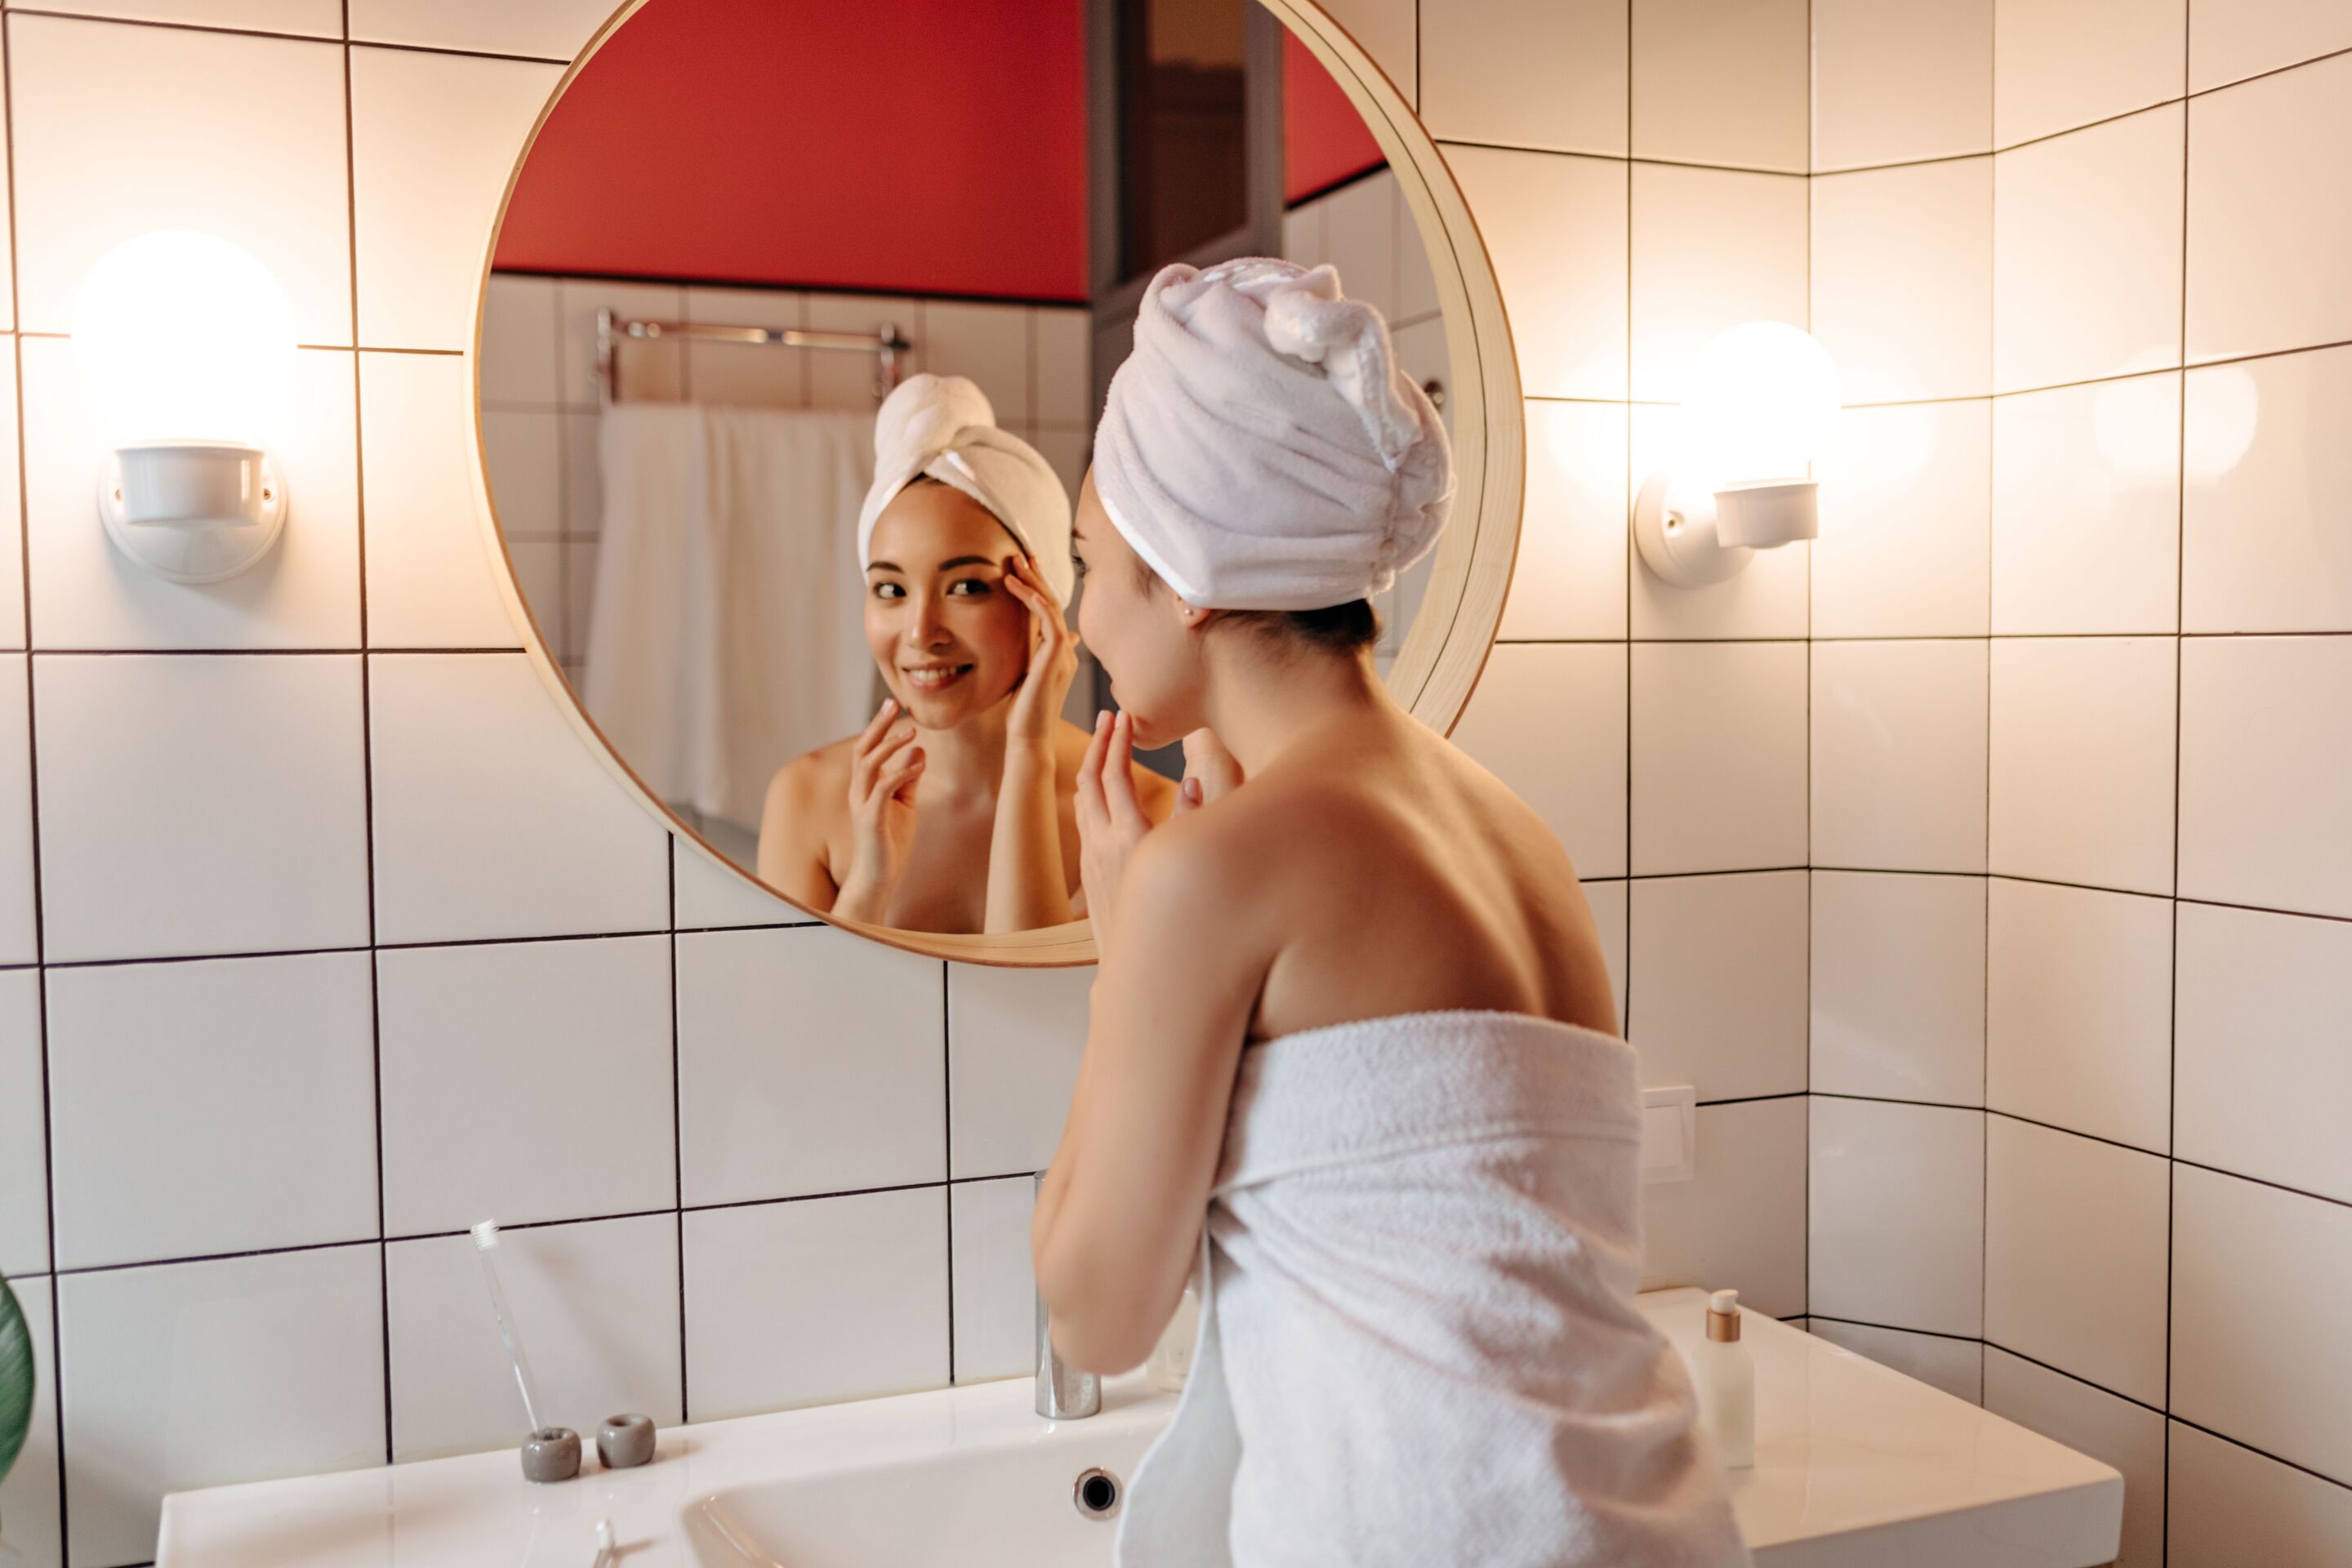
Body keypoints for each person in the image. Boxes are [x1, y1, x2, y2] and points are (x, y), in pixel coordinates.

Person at [1031, 261, 1750, 1567]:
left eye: (1090, 563)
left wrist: (1120, 945)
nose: (1084, 615)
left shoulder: (1212, 875)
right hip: (1653, 1523)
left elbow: (1095, 1319)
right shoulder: (1518, 837)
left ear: (1185, 575)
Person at [757, 374, 1174, 933]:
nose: (920, 632)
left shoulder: (1139, 809)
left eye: (966, 587)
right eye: (891, 589)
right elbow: (790, 1015)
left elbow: (1026, 1005)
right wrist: (868, 886)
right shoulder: (807, 799)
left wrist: (1029, 751)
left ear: (1043, 599)